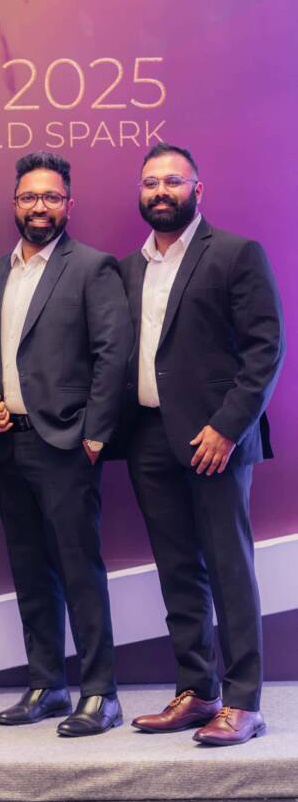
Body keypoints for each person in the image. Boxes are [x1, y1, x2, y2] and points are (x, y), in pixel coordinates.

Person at [121, 143, 285, 746]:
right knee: (177, 570)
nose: (160, 191)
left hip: (215, 439)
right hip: (148, 438)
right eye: (150, 183)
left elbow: (265, 348)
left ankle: (244, 702)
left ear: (198, 189)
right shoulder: (129, 267)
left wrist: (227, 427)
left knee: (228, 567)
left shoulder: (236, 254)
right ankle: (198, 690)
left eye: (173, 181)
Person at [0, 152, 132, 737]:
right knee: (28, 568)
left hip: (67, 445)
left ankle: (100, 693)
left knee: (77, 568)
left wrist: (95, 434)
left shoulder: (92, 267)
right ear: (14, 204)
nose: (39, 207)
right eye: (28, 197)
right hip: (6, 445)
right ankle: (46, 684)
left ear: (69, 204)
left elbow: (114, 355)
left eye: (51, 197)